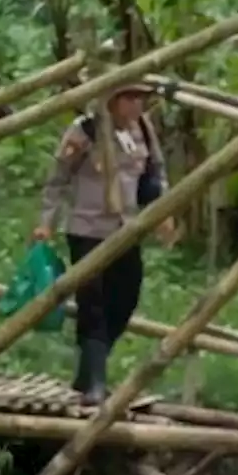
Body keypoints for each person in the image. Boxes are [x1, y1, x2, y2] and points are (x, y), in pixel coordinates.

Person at [33, 82, 176, 405]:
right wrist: (45, 222)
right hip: (88, 228)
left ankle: (89, 368)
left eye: (141, 98)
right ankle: (95, 382)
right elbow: (58, 179)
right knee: (92, 305)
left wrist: (163, 212)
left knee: (125, 298)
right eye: (129, 97)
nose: (137, 105)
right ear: (111, 101)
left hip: (126, 228)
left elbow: (155, 173)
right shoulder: (85, 130)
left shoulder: (143, 129)